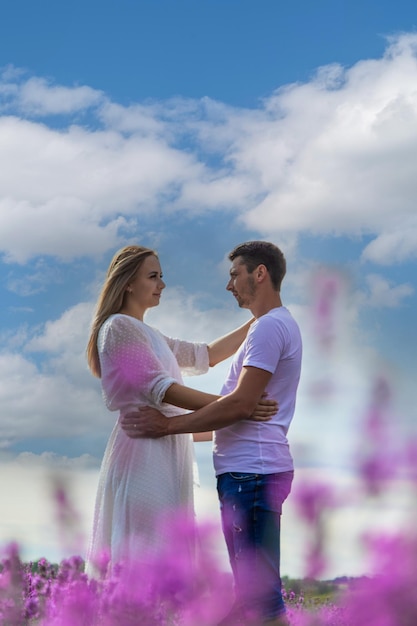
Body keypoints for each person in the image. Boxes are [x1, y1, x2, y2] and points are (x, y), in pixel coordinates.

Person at [121, 241, 302, 626]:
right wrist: (169, 437)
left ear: (260, 273)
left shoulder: (270, 328)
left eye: (234, 274)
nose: (228, 285)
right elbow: (235, 417)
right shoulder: (268, 325)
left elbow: (238, 406)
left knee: (264, 606)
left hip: (252, 474)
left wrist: (167, 424)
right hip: (247, 472)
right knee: (246, 603)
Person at [85, 244, 276, 577]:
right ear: (128, 282)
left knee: (164, 564)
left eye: (162, 276)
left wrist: (263, 315)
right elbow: (164, 390)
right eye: (153, 276)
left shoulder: (149, 334)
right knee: (144, 559)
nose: (162, 283)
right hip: (143, 457)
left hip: (165, 453)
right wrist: (236, 406)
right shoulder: (118, 328)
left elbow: (207, 355)